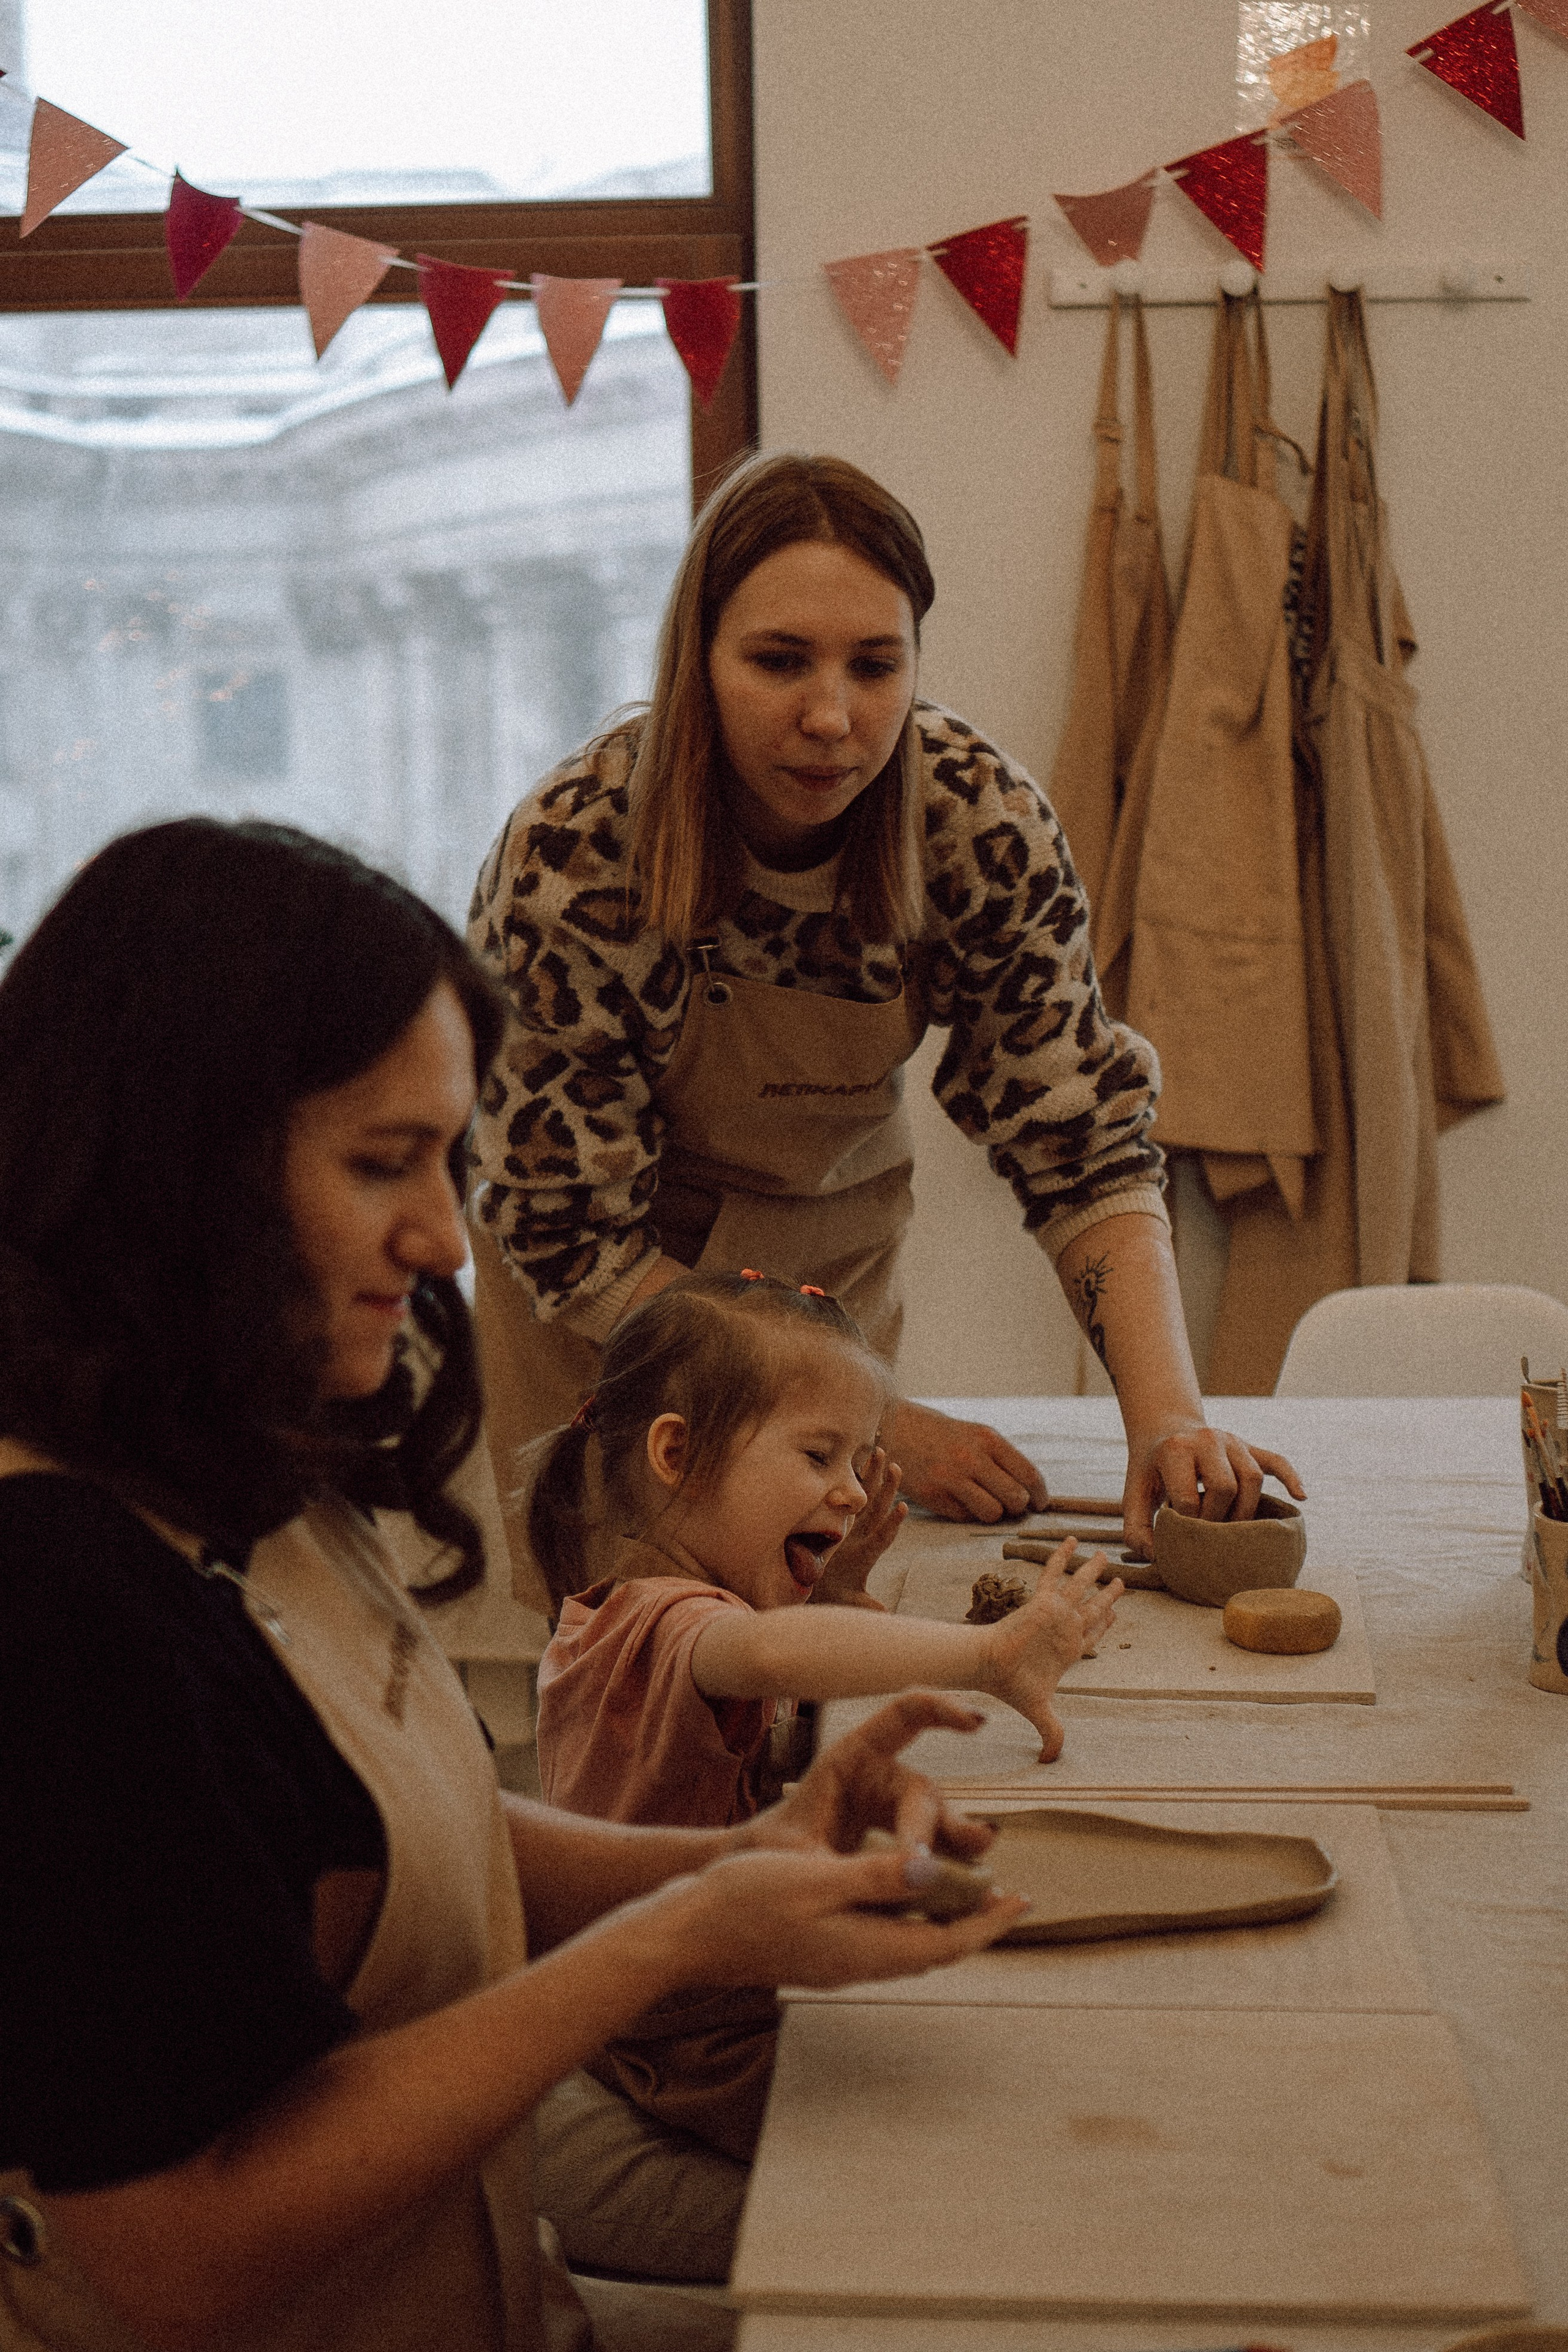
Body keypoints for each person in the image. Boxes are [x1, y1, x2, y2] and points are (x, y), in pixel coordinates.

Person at [0, 817, 1033, 2352]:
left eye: (449, 1160)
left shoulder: (244, 1448)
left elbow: (404, 1839)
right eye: (381, 1163)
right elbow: (178, 2253)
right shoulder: (54, 1602)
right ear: (169, 1164)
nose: (442, 1239)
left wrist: (736, 1856)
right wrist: (677, 1939)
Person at [467, 450, 1303, 1608]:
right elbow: (571, 1236)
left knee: (828, 1642)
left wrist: (1168, 1421)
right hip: (611, 1320)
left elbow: (1083, 1147)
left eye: (875, 665)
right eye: (778, 661)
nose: (831, 717)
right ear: (696, 661)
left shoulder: (973, 821)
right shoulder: (575, 855)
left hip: (823, 1265)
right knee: (639, 1661)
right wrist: (868, 1421)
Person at [527, 1267, 1120, 2171]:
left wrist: (836, 1589)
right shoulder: (658, 1620)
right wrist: (986, 1656)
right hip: (699, 2049)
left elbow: (782, 1686)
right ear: (676, 1454)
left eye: (858, 1461)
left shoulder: (688, 1603)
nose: (850, 1493)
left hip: (706, 2000)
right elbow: (770, 1655)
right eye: (818, 1457)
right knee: (997, 2117)